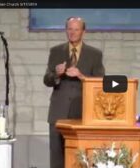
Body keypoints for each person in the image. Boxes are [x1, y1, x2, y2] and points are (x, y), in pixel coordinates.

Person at [43, 17, 105, 168]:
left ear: (83, 31)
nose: (72, 32)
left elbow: (100, 84)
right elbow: (47, 80)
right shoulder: (56, 51)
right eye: (69, 29)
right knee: (57, 156)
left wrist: (81, 76)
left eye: (76, 29)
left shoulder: (95, 54)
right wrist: (57, 73)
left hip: (82, 112)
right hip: (58, 113)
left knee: (81, 157)